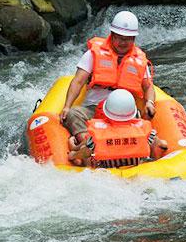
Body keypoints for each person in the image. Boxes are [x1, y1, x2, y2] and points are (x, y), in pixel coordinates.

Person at [60, 10, 156, 144]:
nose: (123, 42)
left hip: (125, 111)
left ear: (134, 39)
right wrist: (67, 106)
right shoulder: (93, 54)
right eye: (120, 38)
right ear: (112, 35)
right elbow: (78, 81)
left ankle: (134, 146)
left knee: (140, 119)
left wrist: (150, 103)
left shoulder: (139, 60)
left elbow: (148, 87)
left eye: (128, 39)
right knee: (73, 114)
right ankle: (89, 145)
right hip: (93, 108)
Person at [68, 89, 167, 168]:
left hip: (107, 171)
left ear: (106, 112)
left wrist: (73, 155)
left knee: (85, 151)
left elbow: (85, 153)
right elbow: (162, 145)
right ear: (134, 112)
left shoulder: (99, 134)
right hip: (136, 168)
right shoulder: (144, 130)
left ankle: (77, 156)